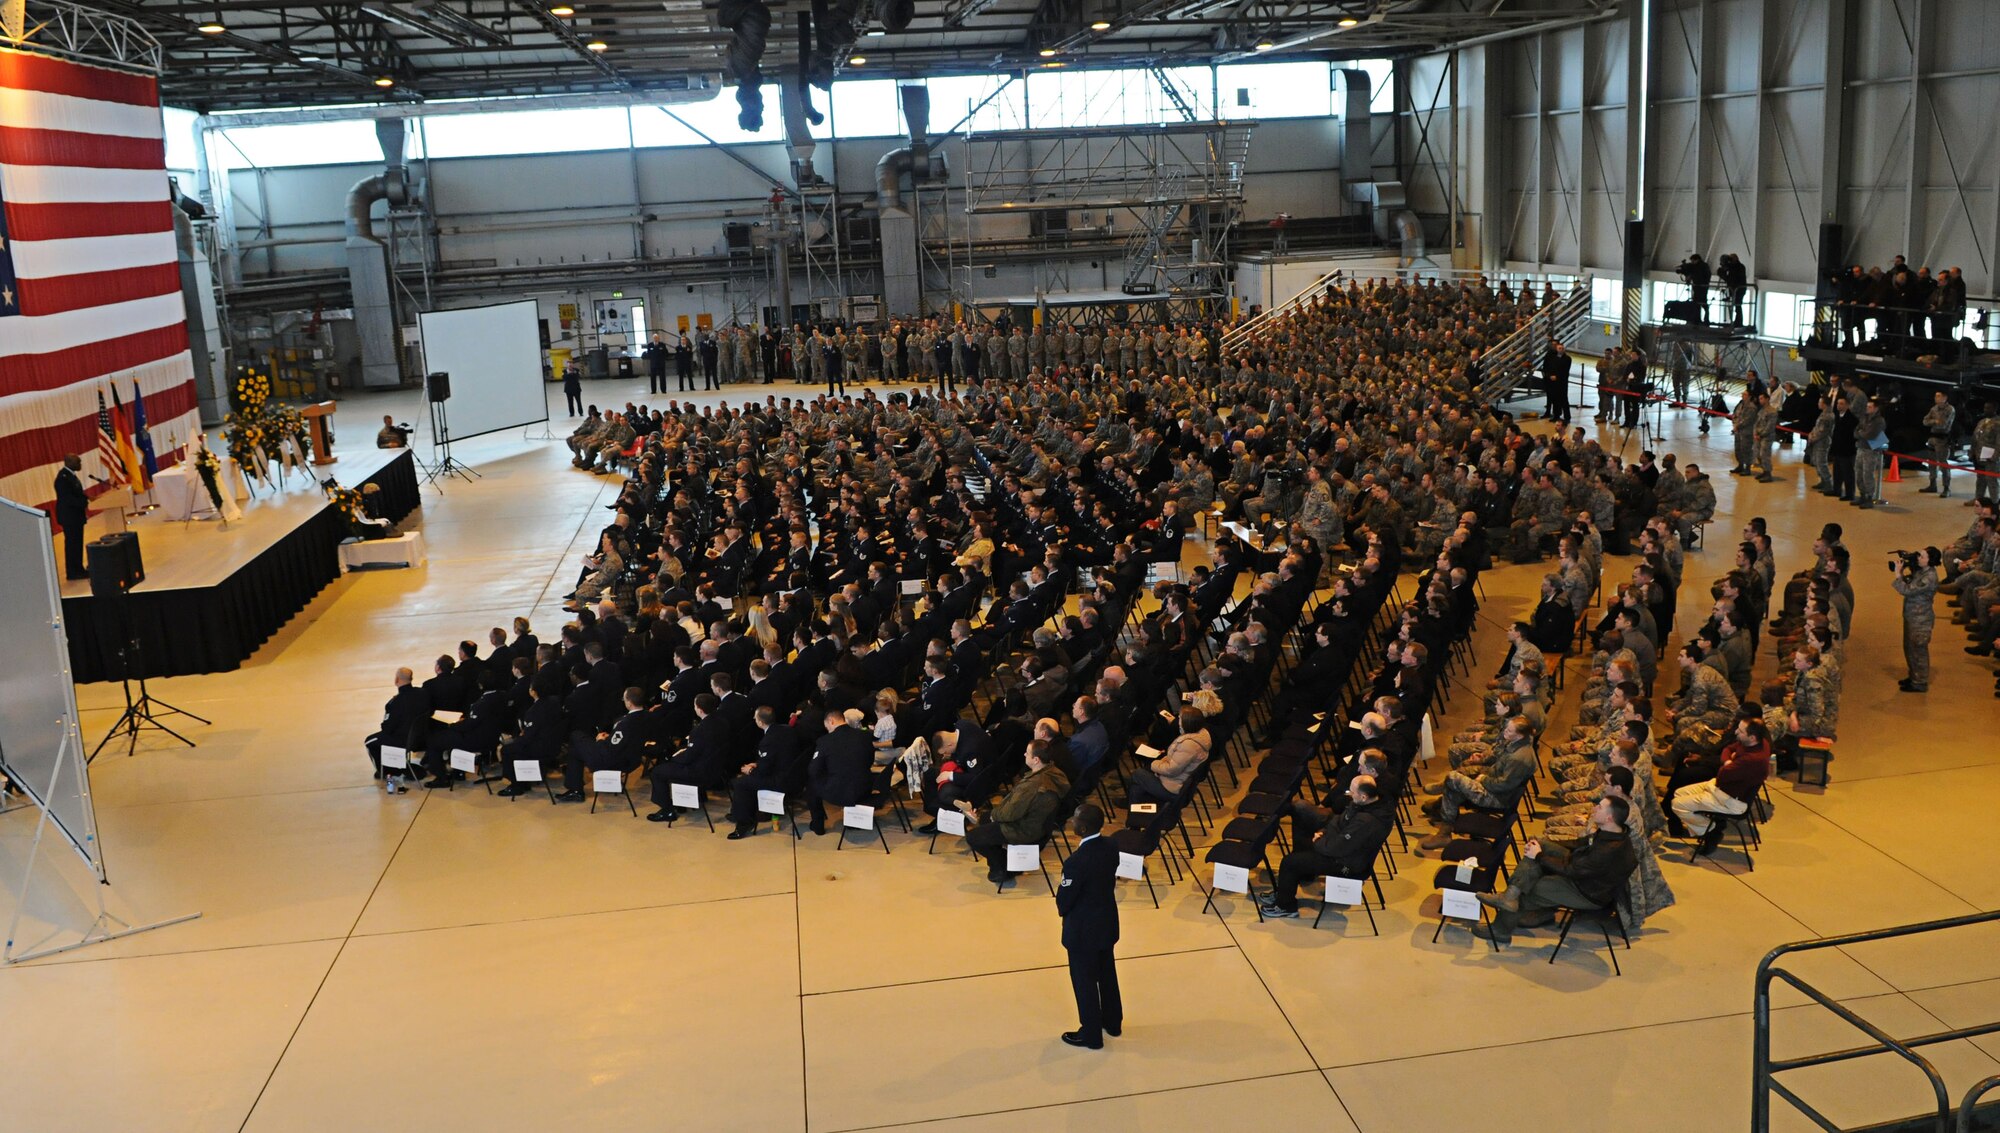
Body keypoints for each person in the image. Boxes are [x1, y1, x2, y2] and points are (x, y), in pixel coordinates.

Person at [1477, 796, 1638, 946]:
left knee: (1533, 886)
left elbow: (1571, 870)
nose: (1594, 809)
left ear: (1609, 818)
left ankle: (1501, 929)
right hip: (1584, 872)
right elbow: (1580, 844)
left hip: (1586, 892)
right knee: (1542, 844)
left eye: (1600, 807)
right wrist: (1544, 846)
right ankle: (1510, 895)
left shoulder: (1607, 851)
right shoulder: (1615, 832)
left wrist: (1539, 856)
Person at [1258, 775, 1393, 919]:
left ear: (1364, 796)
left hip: (1347, 864)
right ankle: (1285, 891)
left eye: (1352, 792)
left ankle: (1286, 906)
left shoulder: (1366, 821)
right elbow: (1337, 821)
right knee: (1302, 845)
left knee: (1290, 862)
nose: (1349, 794)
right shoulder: (1362, 804)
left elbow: (1338, 848)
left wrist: (1318, 842)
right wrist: (1322, 833)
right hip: (1339, 850)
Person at [1055, 803, 1121, 1050]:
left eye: (1074, 819)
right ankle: (1113, 1022)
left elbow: (1065, 899)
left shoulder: (1076, 862)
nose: (1071, 821)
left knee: (1084, 982)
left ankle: (1091, 1033)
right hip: (1106, 921)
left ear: (1081, 828)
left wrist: (1062, 907)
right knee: (1106, 974)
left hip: (1083, 930)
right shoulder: (1111, 845)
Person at [960, 739, 1068, 884]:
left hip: (1024, 829)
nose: (1024, 754)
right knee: (984, 819)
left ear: (1036, 760)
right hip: (1039, 825)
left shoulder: (1032, 786)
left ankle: (1002, 867)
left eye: (1027, 753)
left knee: (973, 837)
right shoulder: (1054, 772)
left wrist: (993, 816)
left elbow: (1010, 814)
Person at [363, 667, 430, 783]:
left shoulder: (394, 703)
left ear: (397, 680)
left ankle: (386, 771)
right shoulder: (422, 693)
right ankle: (396, 767)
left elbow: (387, 729)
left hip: (403, 741)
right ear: (411, 679)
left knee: (370, 742)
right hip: (421, 737)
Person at [1892, 547, 1939, 693]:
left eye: (1922, 556)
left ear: (1930, 560)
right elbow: (1911, 581)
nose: (1918, 558)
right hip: (1912, 616)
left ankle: (1920, 682)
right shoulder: (1921, 571)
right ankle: (1914, 676)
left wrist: (1898, 574)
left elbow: (1907, 590)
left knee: (1918, 650)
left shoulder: (1929, 577)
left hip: (1920, 620)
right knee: (1909, 648)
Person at [53, 453, 89, 581]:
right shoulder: (63, 478)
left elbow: (77, 493)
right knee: (72, 544)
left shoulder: (70, 476)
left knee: (77, 543)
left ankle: (78, 569)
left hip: (75, 516)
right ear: (69, 463)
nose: (80, 465)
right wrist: (84, 503)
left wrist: (88, 498)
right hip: (70, 517)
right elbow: (68, 498)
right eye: (78, 462)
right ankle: (73, 572)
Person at [1921, 391, 1957, 498]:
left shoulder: (1950, 409)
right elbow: (1925, 421)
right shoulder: (1934, 408)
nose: (1936, 398)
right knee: (1932, 462)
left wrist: (1935, 421)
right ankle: (1932, 484)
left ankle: (1946, 488)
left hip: (1943, 439)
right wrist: (1935, 421)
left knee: (1943, 464)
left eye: (1938, 396)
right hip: (1932, 437)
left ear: (1945, 397)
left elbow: (1943, 424)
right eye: (1935, 396)